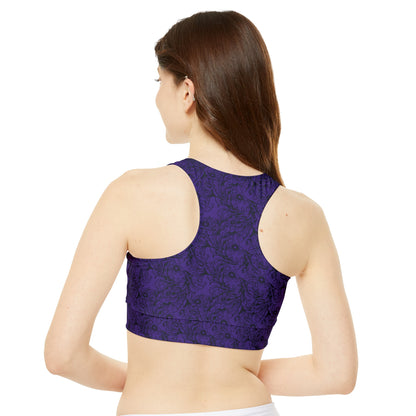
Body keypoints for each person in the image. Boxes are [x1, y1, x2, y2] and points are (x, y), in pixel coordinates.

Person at [44, 10, 358, 416]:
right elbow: (336, 373)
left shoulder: (131, 194)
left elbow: (63, 355)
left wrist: (143, 377)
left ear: (187, 91)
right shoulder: (303, 215)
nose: (157, 97)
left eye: (160, 81)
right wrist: (240, 374)